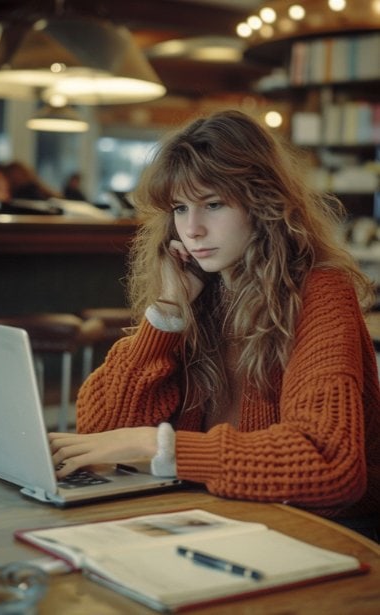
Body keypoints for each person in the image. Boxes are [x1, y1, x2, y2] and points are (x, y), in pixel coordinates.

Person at [49, 110, 380, 538]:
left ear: (264, 204)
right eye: (181, 208)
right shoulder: (199, 293)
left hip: (320, 528)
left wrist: (160, 447)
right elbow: (101, 431)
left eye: (214, 204)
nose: (193, 229)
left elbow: (328, 464)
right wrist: (166, 315)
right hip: (213, 513)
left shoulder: (321, 291)